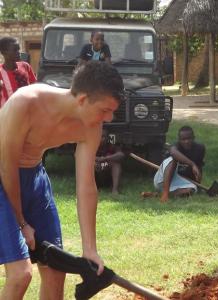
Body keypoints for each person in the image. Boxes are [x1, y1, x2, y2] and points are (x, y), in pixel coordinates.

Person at [0, 61, 125, 299]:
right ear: (82, 100)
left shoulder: (91, 126)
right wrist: (21, 223)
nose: (108, 118)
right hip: (3, 177)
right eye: (104, 109)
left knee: (57, 271)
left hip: (34, 177)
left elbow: (86, 185)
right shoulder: (26, 102)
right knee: (20, 274)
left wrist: (90, 249)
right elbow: (7, 168)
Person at [154, 126, 205, 202]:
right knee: (173, 160)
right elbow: (174, 153)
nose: (186, 141)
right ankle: (165, 193)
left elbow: (199, 168)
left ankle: (159, 194)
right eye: (183, 139)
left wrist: (198, 184)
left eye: (189, 138)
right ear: (179, 140)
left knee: (191, 190)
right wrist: (192, 164)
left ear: (194, 138)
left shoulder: (200, 149)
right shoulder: (175, 147)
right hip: (163, 179)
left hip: (178, 181)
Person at [0, 37, 36, 107]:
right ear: (4, 53)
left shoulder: (25, 66)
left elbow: (34, 87)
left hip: (27, 111)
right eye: (15, 50)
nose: (18, 52)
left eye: (18, 49)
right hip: (7, 115)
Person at [95, 130, 125, 195]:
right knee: (90, 165)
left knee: (116, 164)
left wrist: (105, 159)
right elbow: (83, 156)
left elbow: (121, 154)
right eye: (99, 136)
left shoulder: (111, 146)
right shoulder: (91, 146)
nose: (101, 139)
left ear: (107, 138)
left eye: (103, 136)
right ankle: (94, 188)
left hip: (109, 177)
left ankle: (115, 189)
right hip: (97, 176)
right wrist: (96, 159)